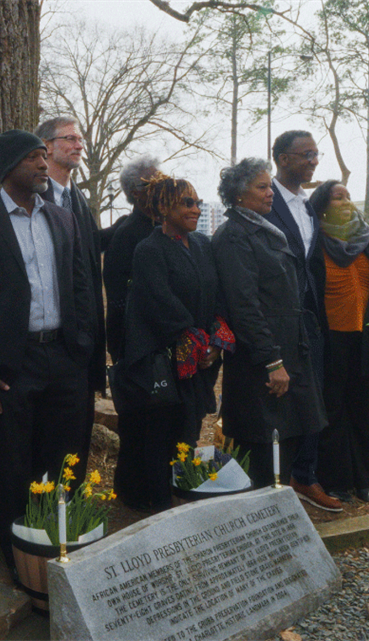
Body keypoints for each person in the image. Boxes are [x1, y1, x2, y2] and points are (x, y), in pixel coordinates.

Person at [0, 130, 95, 569]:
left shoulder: (62, 219)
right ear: (8, 167)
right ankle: (20, 557)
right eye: (33, 158)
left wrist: (83, 347)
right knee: (14, 464)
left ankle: (64, 541)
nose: (41, 164)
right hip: (12, 364)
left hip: (65, 358)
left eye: (41, 156)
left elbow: (81, 285)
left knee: (66, 457)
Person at [113, 173, 233, 512]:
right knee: (159, 440)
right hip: (163, 363)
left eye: (198, 202)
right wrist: (196, 344)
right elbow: (161, 304)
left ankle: (183, 499)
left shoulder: (202, 245)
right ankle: (159, 505)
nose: (196, 209)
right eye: (187, 203)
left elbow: (217, 296)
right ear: (164, 207)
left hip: (199, 362)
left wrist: (215, 343)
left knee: (188, 434)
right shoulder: (149, 249)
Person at [211, 158, 327, 492]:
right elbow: (244, 306)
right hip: (260, 362)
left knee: (291, 434)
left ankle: (280, 506)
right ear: (238, 194)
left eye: (268, 186)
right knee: (261, 449)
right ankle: (261, 518)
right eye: (261, 187)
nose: (269, 193)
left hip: (288, 350)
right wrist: (271, 360)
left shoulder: (261, 228)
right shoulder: (234, 236)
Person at [308, 180, 369, 503]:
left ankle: (364, 480)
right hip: (329, 338)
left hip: (365, 337)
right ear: (322, 205)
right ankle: (334, 480)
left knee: (364, 409)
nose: (346, 203)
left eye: (348, 196)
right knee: (332, 410)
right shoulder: (314, 240)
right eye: (337, 198)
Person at [263, 131, 342, 512]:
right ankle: (275, 483)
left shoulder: (309, 205)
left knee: (315, 397)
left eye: (316, 154)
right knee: (283, 401)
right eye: (306, 154)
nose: (313, 161)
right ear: (281, 158)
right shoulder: (264, 200)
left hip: (311, 319)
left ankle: (305, 476)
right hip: (277, 322)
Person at [37, 117, 107, 395]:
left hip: (82, 342)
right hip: (47, 345)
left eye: (80, 140)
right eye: (70, 139)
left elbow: (89, 248)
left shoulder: (77, 199)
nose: (79, 145)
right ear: (47, 147)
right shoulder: (33, 199)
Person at [102, 156, 163, 365]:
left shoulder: (167, 225)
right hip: (139, 346)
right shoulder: (127, 233)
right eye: (152, 183)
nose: (161, 188)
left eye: (163, 180)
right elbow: (118, 294)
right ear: (136, 192)